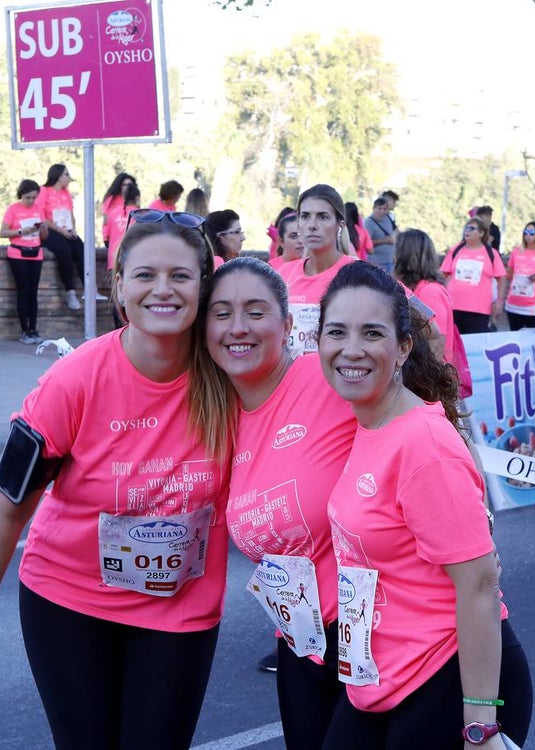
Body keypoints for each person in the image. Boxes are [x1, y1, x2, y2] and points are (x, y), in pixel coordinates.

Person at [0, 211, 232, 750]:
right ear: (118, 285)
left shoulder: (229, 380)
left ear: (203, 285)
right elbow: (6, 515)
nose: (162, 290)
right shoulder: (72, 381)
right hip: (69, 604)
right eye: (145, 275)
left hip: (180, 611)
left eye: (180, 276)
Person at [315, 261, 518, 749]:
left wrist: (480, 725)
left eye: (372, 333)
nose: (352, 349)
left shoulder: (423, 442)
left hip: (445, 677)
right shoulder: (367, 424)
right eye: (336, 332)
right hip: (377, 680)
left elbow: (480, 584)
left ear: (404, 347)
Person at [204, 256, 357, 748]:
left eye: (255, 311)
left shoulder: (329, 378)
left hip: (379, 634)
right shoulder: (217, 416)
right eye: (221, 312)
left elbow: (427, 427)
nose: (238, 327)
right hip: (300, 640)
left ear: (289, 324)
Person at [279, 184, 357, 357]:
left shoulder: (359, 274)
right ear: (298, 223)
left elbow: (429, 328)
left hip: (339, 382)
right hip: (291, 380)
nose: (312, 225)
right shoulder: (283, 275)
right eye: (305, 216)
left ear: (340, 225)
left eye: (322, 217)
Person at [394, 229, 457, 369]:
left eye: (396, 250)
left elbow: (436, 344)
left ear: (406, 255)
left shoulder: (430, 292)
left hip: (428, 378)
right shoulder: (421, 288)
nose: (393, 256)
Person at [0, 179, 48, 345]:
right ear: (21, 195)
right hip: (18, 253)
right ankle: (25, 330)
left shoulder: (38, 209)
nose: (31, 201)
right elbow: (3, 232)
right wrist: (21, 231)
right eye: (28, 197)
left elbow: (45, 237)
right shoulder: (13, 209)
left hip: (36, 252)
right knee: (23, 290)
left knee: (33, 293)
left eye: (34, 197)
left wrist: (43, 229)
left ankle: (34, 328)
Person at [440, 216, 505, 335]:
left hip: (479, 311)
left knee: (475, 346)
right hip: (453, 307)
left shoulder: (491, 253)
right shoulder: (456, 250)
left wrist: (499, 301)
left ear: (481, 233)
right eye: (466, 228)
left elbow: (501, 278)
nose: (467, 230)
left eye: (471, 228)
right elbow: (442, 275)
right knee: (453, 345)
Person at [37, 164, 85, 311]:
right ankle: (70, 291)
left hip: (66, 229)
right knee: (64, 251)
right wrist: (60, 231)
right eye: (66, 175)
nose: (69, 179)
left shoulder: (66, 193)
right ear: (58, 176)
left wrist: (73, 230)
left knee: (81, 248)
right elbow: (41, 217)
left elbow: (70, 214)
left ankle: (89, 288)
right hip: (50, 229)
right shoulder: (44, 191)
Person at [504, 221, 535, 330]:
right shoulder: (516, 252)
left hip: (534, 307)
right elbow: (509, 274)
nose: (528, 236)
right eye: (525, 232)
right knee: (514, 337)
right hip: (514, 305)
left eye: (531, 233)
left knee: (532, 339)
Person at [106, 184, 141, 272]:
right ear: (137, 198)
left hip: (113, 261)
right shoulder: (141, 215)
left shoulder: (113, 213)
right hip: (133, 261)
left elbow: (106, 237)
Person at [99, 172, 137, 249]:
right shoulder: (111, 200)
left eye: (131, 185)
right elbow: (105, 223)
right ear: (120, 186)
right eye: (125, 185)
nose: (128, 187)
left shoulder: (133, 202)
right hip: (112, 239)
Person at [363, 198, 396, 272]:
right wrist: (384, 240)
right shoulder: (368, 222)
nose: (382, 211)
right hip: (377, 262)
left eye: (384, 209)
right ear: (374, 208)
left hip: (390, 261)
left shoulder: (388, 219)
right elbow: (366, 242)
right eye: (379, 208)